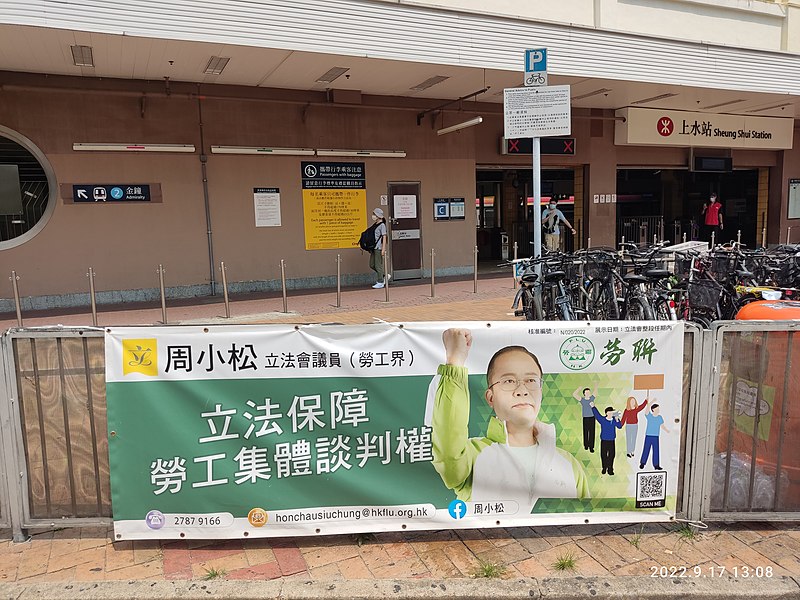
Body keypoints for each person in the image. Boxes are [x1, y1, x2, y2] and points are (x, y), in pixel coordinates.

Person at [426, 328, 589, 513]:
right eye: (509, 381)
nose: (522, 390)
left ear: (541, 393)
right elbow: (447, 448)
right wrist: (455, 361)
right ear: (490, 398)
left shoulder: (569, 464)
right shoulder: (472, 456)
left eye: (531, 380)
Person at [590, 402, 622, 475]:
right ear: (606, 413)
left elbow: (620, 426)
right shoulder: (603, 420)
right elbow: (597, 415)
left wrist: (617, 419)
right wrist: (593, 407)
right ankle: (604, 468)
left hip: (612, 441)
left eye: (612, 412)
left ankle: (610, 469)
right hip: (604, 440)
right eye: (610, 412)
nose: (611, 413)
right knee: (603, 455)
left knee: (612, 455)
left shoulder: (614, 420)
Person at [640, 403, 669, 470]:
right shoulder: (650, 416)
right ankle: (642, 463)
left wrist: (667, 430)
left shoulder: (659, 417)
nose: (658, 410)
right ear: (653, 410)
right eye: (657, 409)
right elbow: (646, 411)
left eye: (658, 409)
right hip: (648, 435)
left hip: (656, 436)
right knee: (646, 449)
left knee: (656, 450)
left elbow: (662, 425)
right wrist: (651, 402)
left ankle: (656, 465)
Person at [572, 386, 597, 453]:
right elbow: (574, 394)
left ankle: (591, 447)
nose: (588, 393)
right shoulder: (582, 400)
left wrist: (596, 385)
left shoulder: (591, 399)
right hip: (585, 418)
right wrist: (578, 389)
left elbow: (595, 393)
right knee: (585, 431)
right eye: (587, 392)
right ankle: (586, 445)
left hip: (592, 417)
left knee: (592, 432)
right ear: (584, 394)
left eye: (589, 392)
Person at [369, 208, 389, 289]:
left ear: (378, 216)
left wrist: (383, 249)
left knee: (378, 265)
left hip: (378, 248)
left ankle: (380, 281)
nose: (373, 216)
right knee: (371, 265)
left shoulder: (382, 225)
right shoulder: (375, 224)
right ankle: (385, 275)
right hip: (373, 248)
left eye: (374, 214)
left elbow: (384, 237)